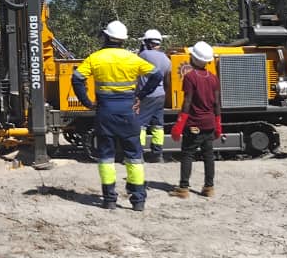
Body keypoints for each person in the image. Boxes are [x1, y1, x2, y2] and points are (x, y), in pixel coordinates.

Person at [72, 21, 163, 211]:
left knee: (106, 156)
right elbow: (156, 75)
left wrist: (87, 103)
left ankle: (109, 199)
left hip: (105, 111)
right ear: (123, 40)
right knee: (134, 156)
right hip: (128, 112)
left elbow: (77, 78)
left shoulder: (95, 58)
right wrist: (141, 95)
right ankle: (138, 201)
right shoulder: (132, 59)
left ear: (106, 37)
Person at [169, 41, 222, 199]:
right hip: (209, 122)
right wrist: (218, 124)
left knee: (187, 154)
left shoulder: (190, 77)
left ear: (196, 59)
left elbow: (187, 102)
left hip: (194, 123)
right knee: (208, 156)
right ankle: (209, 187)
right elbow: (217, 104)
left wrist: (179, 124)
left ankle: (184, 188)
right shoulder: (213, 78)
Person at [138, 28, 172, 163]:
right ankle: (157, 154)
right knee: (158, 125)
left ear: (148, 42)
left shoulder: (144, 55)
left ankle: (138, 154)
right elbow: (167, 80)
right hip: (160, 95)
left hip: (146, 95)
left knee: (140, 124)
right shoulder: (166, 59)